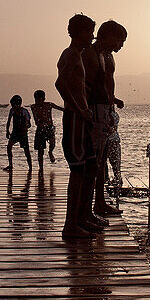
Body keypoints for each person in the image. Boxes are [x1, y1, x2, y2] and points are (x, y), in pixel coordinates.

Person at [55, 14, 100, 240]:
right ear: (80, 32)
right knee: (78, 170)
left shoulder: (80, 56)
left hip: (83, 120)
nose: (92, 37)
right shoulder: (70, 54)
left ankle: (83, 217)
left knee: (91, 167)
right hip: (74, 120)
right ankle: (70, 226)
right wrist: (78, 109)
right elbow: (60, 83)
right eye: (90, 32)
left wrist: (87, 112)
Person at [84, 20, 127, 218]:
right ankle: (87, 209)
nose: (121, 45)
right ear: (109, 36)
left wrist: (112, 100)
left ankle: (99, 202)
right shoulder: (91, 54)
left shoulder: (108, 57)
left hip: (106, 110)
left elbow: (106, 83)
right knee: (92, 162)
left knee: (101, 160)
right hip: (94, 111)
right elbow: (85, 85)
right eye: (120, 40)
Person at [29, 89, 63, 168]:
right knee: (40, 150)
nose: (38, 101)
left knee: (52, 143)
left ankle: (50, 152)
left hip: (49, 127)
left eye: (39, 99)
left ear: (43, 99)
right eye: (36, 99)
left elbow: (60, 108)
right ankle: (41, 167)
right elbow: (36, 119)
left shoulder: (49, 105)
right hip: (40, 129)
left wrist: (69, 111)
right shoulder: (33, 107)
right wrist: (41, 125)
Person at [4, 94, 33, 172]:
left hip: (23, 134)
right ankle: (10, 165)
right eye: (12, 105)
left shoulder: (24, 111)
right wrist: (7, 131)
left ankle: (30, 167)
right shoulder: (12, 111)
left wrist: (26, 127)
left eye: (14, 105)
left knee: (26, 151)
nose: (13, 107)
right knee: (9, 147)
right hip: (15, 132)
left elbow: (29, 124)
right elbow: (9, 121)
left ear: (18, 104)